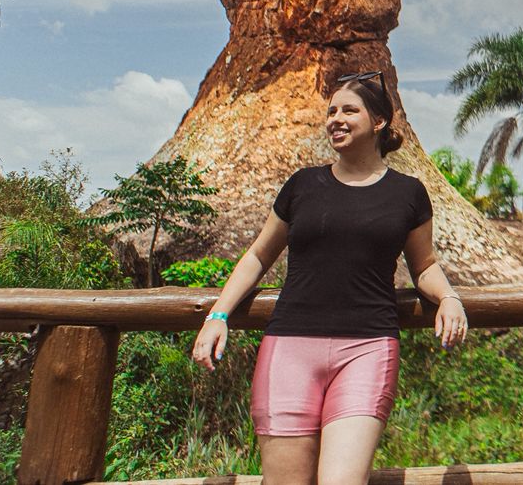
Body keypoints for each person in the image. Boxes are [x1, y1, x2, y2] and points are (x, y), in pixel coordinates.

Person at [191, 70, 468, 485]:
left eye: (349, 110)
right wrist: (218, 316)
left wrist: (449, 298)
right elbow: (258, 255)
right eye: (331, 111)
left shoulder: (408, 193)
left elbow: (424, 265)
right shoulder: (303, 185)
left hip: (368, 349)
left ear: (378, 121)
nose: (335, 118)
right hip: (289, 349)